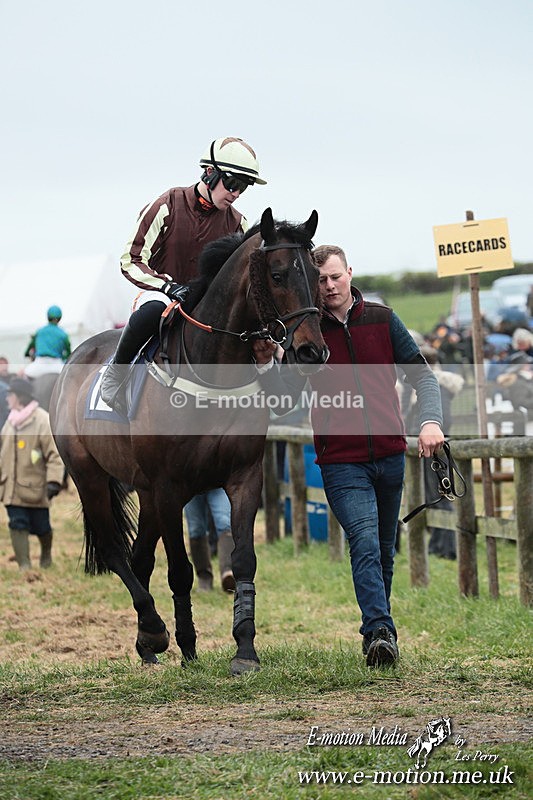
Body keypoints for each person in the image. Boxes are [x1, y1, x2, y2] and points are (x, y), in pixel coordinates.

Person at [254, 244, 444, 667]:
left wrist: (430, 422)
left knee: (383, 547)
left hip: (391, 454)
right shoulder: (307, 332)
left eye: (335, 277)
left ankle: (380, 630)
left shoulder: (382, 319)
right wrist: (268, 366)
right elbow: (284, 401)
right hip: (341, 460)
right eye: (321, 280)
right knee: (364, 538)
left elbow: (423, 378)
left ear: (349, 273)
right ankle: (379, 631)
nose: (330, 286)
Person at [99, 135, 267, 414]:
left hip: (205, 302)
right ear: (210, 173)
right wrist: (167, 287)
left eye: (244, 187)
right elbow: (130, 259)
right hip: (157, 291)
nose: (236, 193)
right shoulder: (168, 204)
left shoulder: (239, 223)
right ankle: (116, 372)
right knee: (155, 309)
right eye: (233, 184)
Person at [0, 377, 64, 570]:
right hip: (11, 487)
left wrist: (54, 481)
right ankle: (24, 565)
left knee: (41, 527)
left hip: (35, 488)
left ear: (19, 397)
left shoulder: (42, 420)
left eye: (10, 395)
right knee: (17, 523)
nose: (7, 398)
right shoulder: (10, 422)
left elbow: (54, 454)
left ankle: (46, 555)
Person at [184, 489, 235, 592]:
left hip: (217, 483)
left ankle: (228, 572)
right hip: (190, 484)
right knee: (196, 529)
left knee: (225, 522)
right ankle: (204, 577)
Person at [24, 306, 71, 378]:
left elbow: (30, 347)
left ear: (48, 317)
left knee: (25, 374)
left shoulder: (39, 332)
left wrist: (27, 353)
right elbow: (68, 353)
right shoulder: (63, 334)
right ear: (60, 318)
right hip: (57, 366)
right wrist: (64, 358)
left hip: (39, 364)